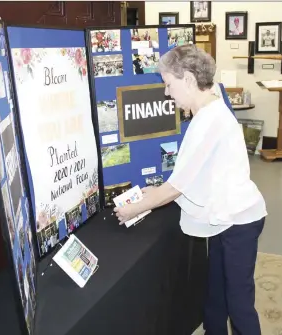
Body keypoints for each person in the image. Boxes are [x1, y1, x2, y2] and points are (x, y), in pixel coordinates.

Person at [114, 45, 267, 335]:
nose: (167, 94)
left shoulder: (209, 120)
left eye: (168, 85)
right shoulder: (211, 107)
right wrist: (157, 192)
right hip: (227, 218)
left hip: (240, 221)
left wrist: (134, 207)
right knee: (217, 291)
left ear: (187, 80)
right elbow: (193, 174)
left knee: (239, 302)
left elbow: (177, 186)